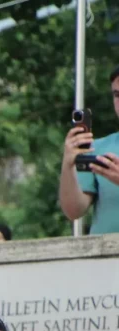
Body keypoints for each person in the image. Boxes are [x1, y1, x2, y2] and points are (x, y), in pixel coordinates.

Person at [60, 69, 119, 234]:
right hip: (102, 255)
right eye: (117, 95)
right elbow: (74, 211)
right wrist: (67, 165)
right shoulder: (98, 148)